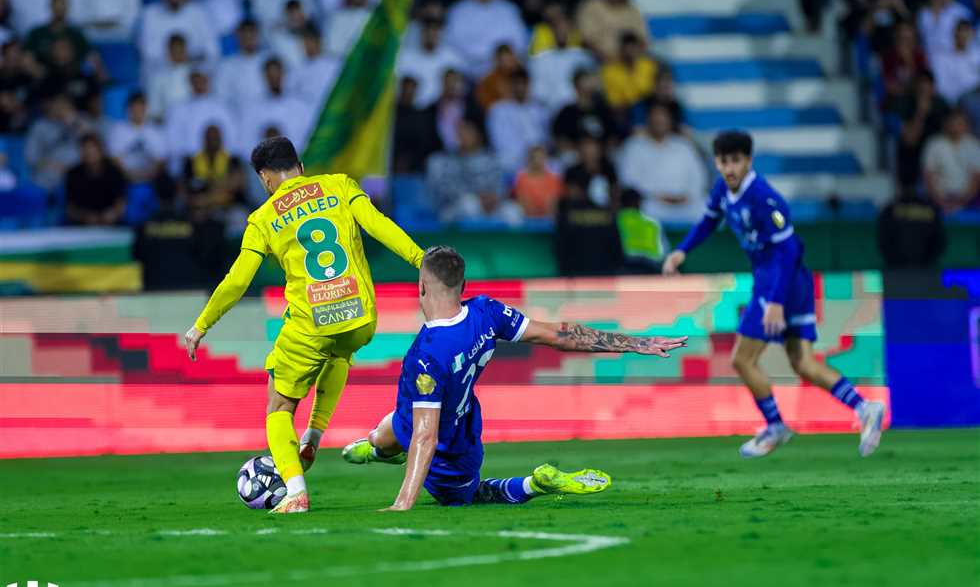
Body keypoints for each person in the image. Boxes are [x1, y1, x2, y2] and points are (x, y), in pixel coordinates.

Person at [340, 245, 688, 510]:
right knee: (385, 435)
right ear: (463, 285)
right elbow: (560, 334)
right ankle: (376, 447)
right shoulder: (486, 312)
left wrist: (403, 502)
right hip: (440, 417)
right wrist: (636, 342)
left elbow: (426, 436)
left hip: (450, 445)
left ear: (420, 286)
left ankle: (534, 484)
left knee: (468, 495)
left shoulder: (425, 353)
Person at [183, 136, 425, 514]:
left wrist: (201, 325)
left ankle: (295, 491)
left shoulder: (263, 219)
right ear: (299, 165)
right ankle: (313, 434)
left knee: (278, 404)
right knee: (341, 351)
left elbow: (237, 280)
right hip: (360, 316)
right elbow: (379, 225)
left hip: (311, 323)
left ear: (265, 177)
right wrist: (421, 260)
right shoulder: (340, 185)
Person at [662, 130, 887, 458]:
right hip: (787, 282)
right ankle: (865, 407)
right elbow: (708, 223)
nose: (730, 168)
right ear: (716, 162)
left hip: (779, 283)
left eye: (736, 160)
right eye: (724, 161)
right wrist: (682, 251)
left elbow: (789, 251)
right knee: (803, 363)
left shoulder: (764, 198)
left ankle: (776, 426)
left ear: (749, 161)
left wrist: (776, 302)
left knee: (742, 358)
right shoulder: (722, 190)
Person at [617, 103, 706, 224]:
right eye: (655, 119)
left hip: (684, 203)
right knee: (641, 212)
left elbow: (698, 178)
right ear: (648, 120)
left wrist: (685, 197)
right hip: (652, 203)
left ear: (670, 121)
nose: (659, 122)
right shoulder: (633, 146)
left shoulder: (683, 146)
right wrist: (659, 197)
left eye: (663, 118)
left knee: (707, 210)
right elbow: (628, 181)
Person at [444, 0, 528, 78]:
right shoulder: (458, 10)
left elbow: (520, 42)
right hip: (466, 70)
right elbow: (451, 43)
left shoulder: (509, 10)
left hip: (501, 71)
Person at [140, 0, 219, 71]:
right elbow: (148, 52)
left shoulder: (198, 12)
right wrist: (176, 59)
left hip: (195, 70)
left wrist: (189, 59)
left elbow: (212, 50)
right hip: (163, 72)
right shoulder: (150, 14)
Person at [575, 0, 649, 62]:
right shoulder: (592, 6)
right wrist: (605, 58)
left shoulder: (633, 11)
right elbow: (586, 39)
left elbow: (643, 41)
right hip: (596, 61)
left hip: (628, 64)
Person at [922, 109, 980, 213]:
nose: (956, 127)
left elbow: (976, 179)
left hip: (967, 198)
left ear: (967, 125)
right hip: (939, 197)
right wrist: (941, 201)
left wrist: (961, 202)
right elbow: (928, 176)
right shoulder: (934, 144)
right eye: (953, 123)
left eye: (960, 123)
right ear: (946, 125)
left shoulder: (974, 145)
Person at [65, 131, 127, 226]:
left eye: (92, 149)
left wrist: (113, 214)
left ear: (101, 150)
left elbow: (121, 203)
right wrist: (84, 217)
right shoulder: (73, 174)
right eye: (85, 149)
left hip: (111, 223)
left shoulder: (114, 172)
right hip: (82, 224)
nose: (89, 153)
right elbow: (70, 209)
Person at [931, 19, 980, 105]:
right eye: (961, 31)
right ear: (955, 33)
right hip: (959, 99)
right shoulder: (942, 58)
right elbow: (942, 89)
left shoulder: (977, 54)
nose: (964, 36)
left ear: (972, 34)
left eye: (967, 32)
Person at [513, 145, 561, 217]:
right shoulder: (521, 178)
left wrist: (546, 213)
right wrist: (532, 212)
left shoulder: (553, 178)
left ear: (546, 158)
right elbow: (523, 200)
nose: (537, 161)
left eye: (540, 157)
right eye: (534, 158)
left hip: (549, 216)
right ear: (529, 159)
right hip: (527, 216)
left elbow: (553, 202)